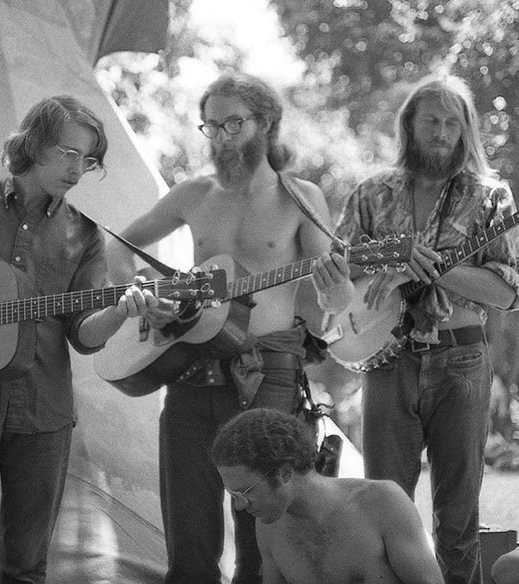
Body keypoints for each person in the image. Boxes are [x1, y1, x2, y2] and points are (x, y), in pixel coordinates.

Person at [112, 73, 352, 584]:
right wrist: (145, 297)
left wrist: (338, 292)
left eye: (233, 123)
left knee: (263, 529)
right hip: (190, 366)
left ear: (265, 124)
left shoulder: (300, 198)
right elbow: (118, 246)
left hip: (268, 372)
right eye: (212, 125)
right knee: (189, 522)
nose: (221, 137)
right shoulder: (192, 195)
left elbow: (333, 300)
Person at [0, 95, 158, 583]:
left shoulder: (85, 235)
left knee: (26, 569)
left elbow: (85, 336)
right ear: (34, 144)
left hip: (44, 418)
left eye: (88, 160)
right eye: (69, 153)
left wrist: (118, 312)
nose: (78, 169)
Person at [315, 73, 519, 583]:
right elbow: (338, 271)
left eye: (454, 122)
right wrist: (384, 266)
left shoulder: (492, 196)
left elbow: (508, 292)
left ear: (467, 130)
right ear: (409, 124)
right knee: (385, 505)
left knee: (458, 518)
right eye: (432, 119)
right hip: (388, 360)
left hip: (462, 358)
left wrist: (423, 266)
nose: (443, 131)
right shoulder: (371, 192)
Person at [211, 407, 445, 584]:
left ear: (284, 473)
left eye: (245, 492)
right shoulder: (270, 526)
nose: (240, 506)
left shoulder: (382, 502)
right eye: (233, 494)